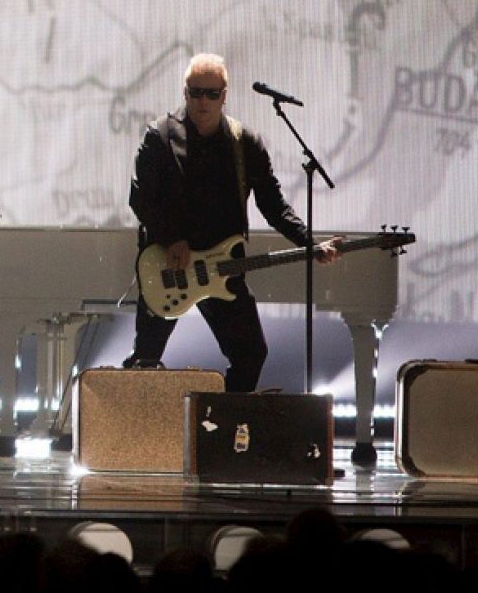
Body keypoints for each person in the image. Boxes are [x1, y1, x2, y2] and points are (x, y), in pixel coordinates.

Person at [125, 53, 339, 391]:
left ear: (225, 95)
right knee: (146, 359)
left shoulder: (244, 143)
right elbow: (141, 197)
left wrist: (309, 242)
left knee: (251, 353)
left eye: (212, 94)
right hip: (170, 263)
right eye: (196, 92)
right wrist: (171, 238)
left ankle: (219, 429)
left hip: (222, 268)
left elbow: (273, 204)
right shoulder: (160, 136)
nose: (203, 101)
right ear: (185, 92)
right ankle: (141, 437)